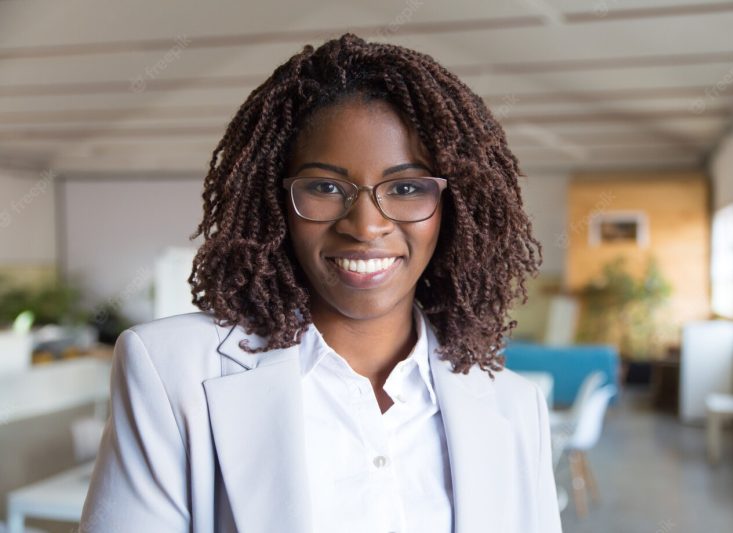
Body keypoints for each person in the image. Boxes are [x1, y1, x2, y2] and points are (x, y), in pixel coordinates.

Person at [80, 33, 562, 533]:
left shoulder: (515, 407)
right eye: (326, 187)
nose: (366, 225)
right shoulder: (169, 370)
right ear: (274, 203)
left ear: (453, 208)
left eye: (405, 188)